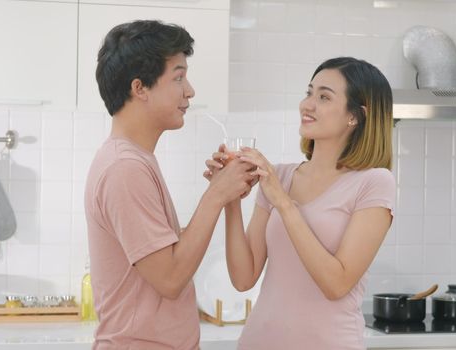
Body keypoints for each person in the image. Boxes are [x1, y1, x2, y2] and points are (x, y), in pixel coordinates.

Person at [84, 20, 254, 350]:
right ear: (140, 88)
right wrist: (217, 194)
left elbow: (167, 255)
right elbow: (171, 278)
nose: (189, 90)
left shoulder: (135, 160)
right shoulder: (124, 168)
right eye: (178, 77)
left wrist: (223, 192)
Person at [204, 57, 395, 350]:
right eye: (309, 93)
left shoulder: (374, 183)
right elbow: (243, 278)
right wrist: (230, 199)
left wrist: (283, 200)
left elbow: (336, 284)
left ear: (355, 116)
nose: (307, 104)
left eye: (323, 97)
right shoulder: (279, 175)